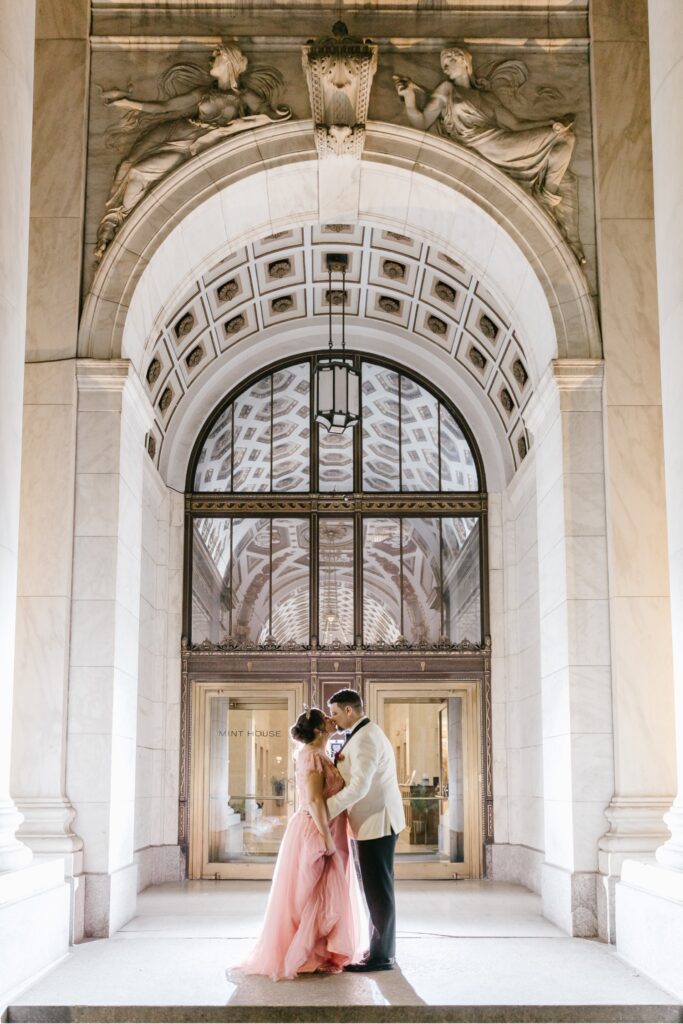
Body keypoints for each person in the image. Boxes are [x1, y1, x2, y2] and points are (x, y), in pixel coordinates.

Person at [95, 42, 290, 261]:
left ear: (228, 60)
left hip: (197, 147)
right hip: (176, 133)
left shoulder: (244, 97)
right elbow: (164, 107)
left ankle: (126, 228)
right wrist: (126, 103)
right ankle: (118, 223)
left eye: (217, 55)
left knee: (139, 172)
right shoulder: (203, 92)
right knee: (128, 165)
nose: (211, 59)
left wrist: (236, 126)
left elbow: (270, 117)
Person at [236, 708, 365, 981]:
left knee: (326, 892)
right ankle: (307, 954)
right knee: (312, 893)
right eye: (326, 719)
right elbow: (315, 800)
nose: (332, 720)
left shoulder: (322, 755)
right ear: (319, 730)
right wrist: (327, 838)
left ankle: (322, 951)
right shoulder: (311, 757)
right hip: (317, 829)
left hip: (329, 826)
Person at [393, 46, 575, 211]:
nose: (446, 68)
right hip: (485, 148)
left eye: (451, 61)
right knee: (565, 138)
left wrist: (552, 124)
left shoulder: (487, 97)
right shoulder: (447, 89)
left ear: (465, 62)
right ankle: (546, 199)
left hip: (502, 144)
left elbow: (516, 124)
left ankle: (547, 196)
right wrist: (409, 98)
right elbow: (422, 123)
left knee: (566, 137)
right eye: (444, 65)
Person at [326, 688, 406, 972]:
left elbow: (360, 786)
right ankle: (379, 949)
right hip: (370, 823)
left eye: (335, 712)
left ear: (350, 711)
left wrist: (325, 810)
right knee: (374, 890)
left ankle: (382, 956)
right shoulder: (362, 735)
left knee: (378, 891)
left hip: (377, 822)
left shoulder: (368, 738)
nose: (332, 719)